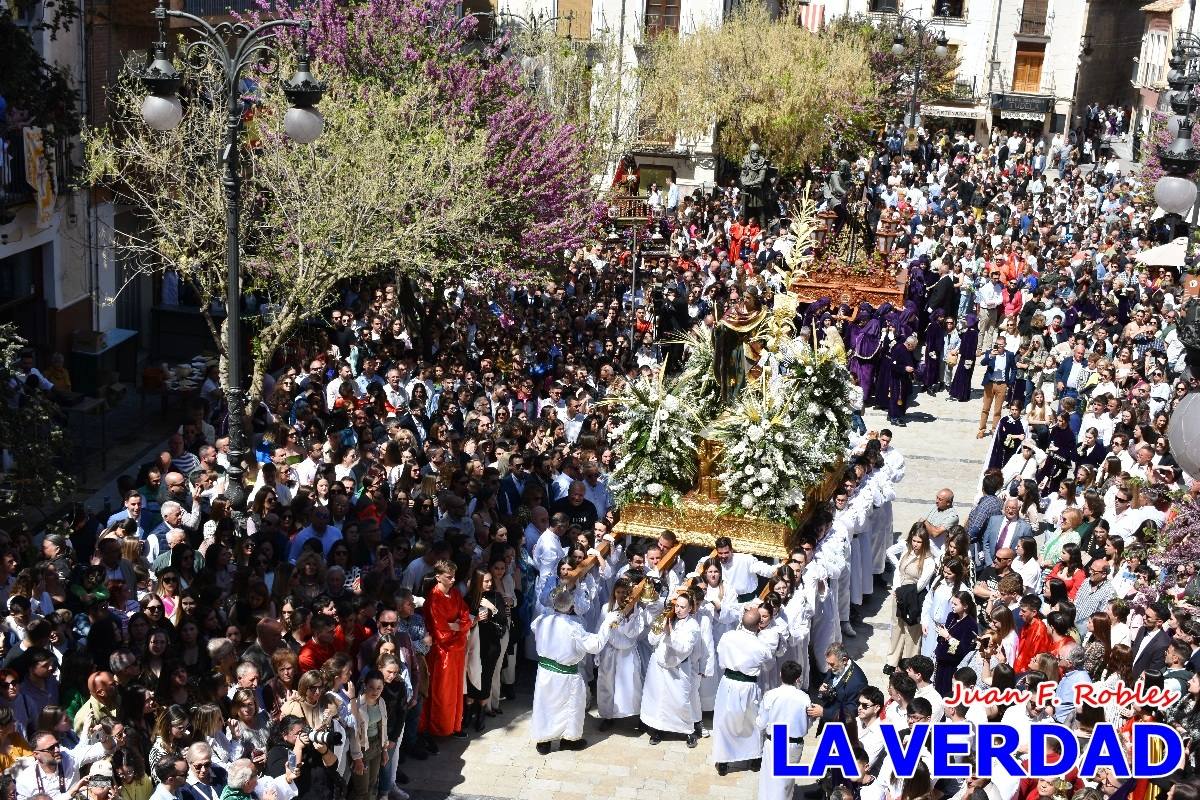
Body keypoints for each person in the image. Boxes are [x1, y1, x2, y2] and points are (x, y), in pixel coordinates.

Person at [529, 586, 614, 754]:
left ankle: (543, 742)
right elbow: (595, 645)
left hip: (545, 672)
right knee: (570, 707)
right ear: (572, 606)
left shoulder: (541, 621)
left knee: (544, 705)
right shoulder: (574, 628)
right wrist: (607, 624)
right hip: (566, 675)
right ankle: (568, 740)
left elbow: (534, 627)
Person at [711, 608, 773, 776]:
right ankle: (753, 759)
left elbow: (720, 654)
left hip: (728, 683)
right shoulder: (761, 647)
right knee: (751, 721)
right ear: (759, 624)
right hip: (748, 687)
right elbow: (769, 665)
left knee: (725, 720)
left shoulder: (727, 637)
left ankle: (723, 761)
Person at [639, 592, 702, 748]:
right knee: (658, 700)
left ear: (690, 609)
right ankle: (658, 729)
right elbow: (651, 640)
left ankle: (689, 731)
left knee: (681, 701)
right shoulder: (668, 617)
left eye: (683, 607)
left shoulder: (692, 626)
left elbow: (685, 647)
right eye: (677, 606)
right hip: (659, 666)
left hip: (679, 668)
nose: (679, 610)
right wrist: (659, 629)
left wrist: (670, 634)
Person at [419, 560, 472, 739]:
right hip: (442, 653)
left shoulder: (456, 593)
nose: (453, 580)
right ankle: (439, 727)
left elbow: (466, 618)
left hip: (456, 651)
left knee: (456, 690)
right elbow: (439, 630)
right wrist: (457, 627)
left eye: (454, 576)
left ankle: (453, 725)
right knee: (442, 691)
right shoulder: (433, 599)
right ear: (438, 577)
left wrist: (457, 626)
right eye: (449, 577)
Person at [756, 661, 811, 800]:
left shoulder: (770, 695)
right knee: (785, 783)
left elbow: (761, 723)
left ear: (780, 675)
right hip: (794, 744)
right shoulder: (804, 698)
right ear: (798, 678)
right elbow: (808, 723)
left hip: (774, 742)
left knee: (769, 781)